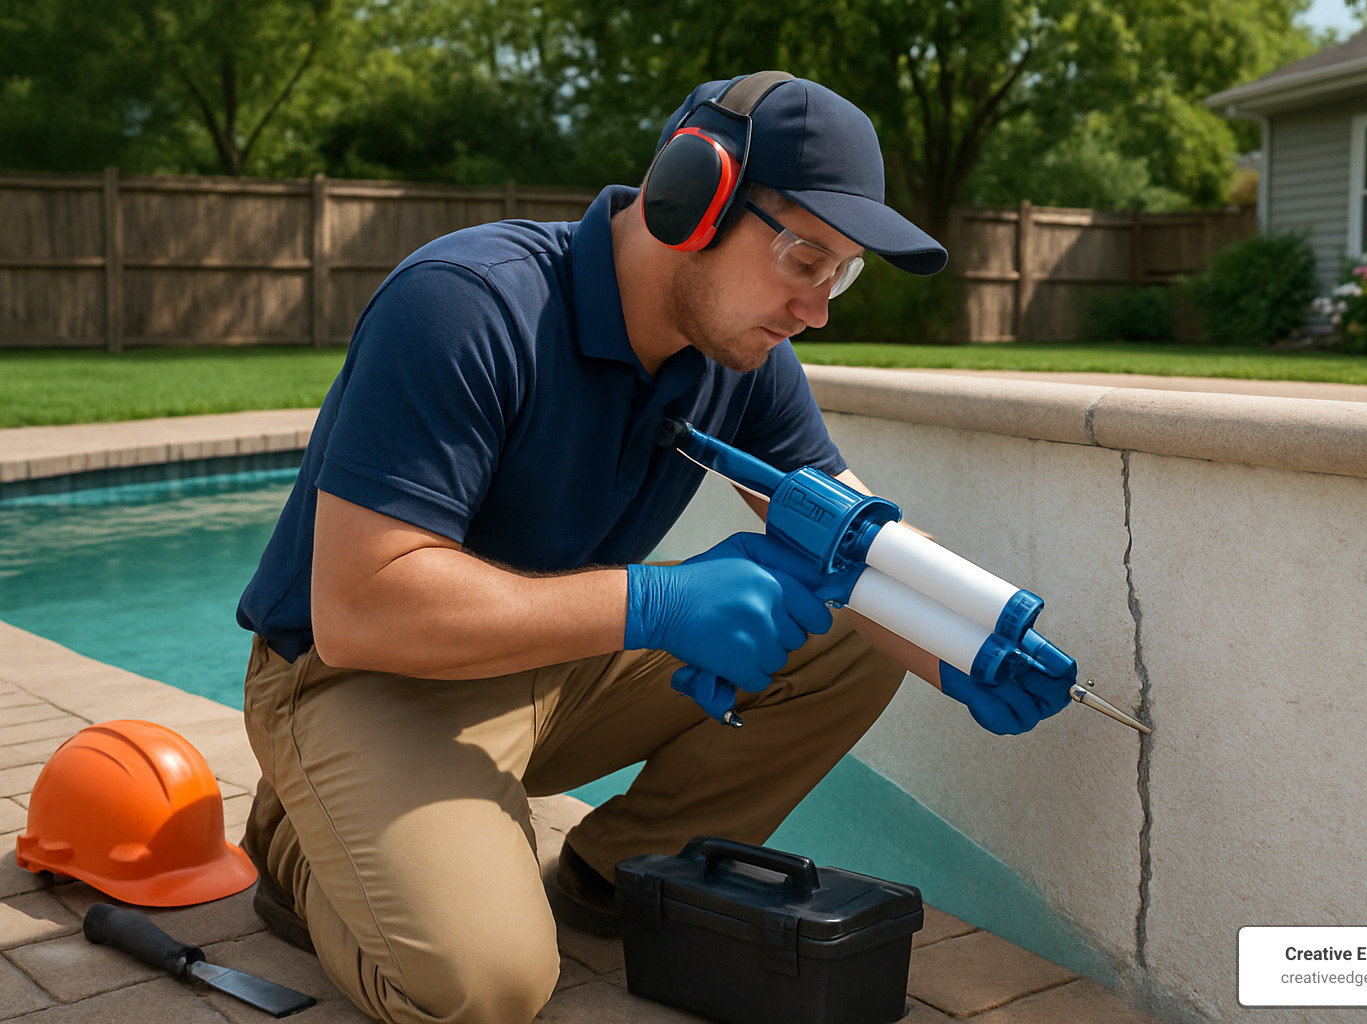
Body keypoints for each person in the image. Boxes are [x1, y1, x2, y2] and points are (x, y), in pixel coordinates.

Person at [234, 71, 1072, 1024]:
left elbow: (853, 536)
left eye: (842, 271)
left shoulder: (740, 357)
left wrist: (969, 641)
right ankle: (301, 841)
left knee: (851, 632)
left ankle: (612, 876)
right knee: (484, 990)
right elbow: (359, 607)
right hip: (361, 676)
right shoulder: (467, 306)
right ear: (692, 194)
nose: (819, 306)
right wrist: (661, 604)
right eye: (805, 258)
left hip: (550, 658)